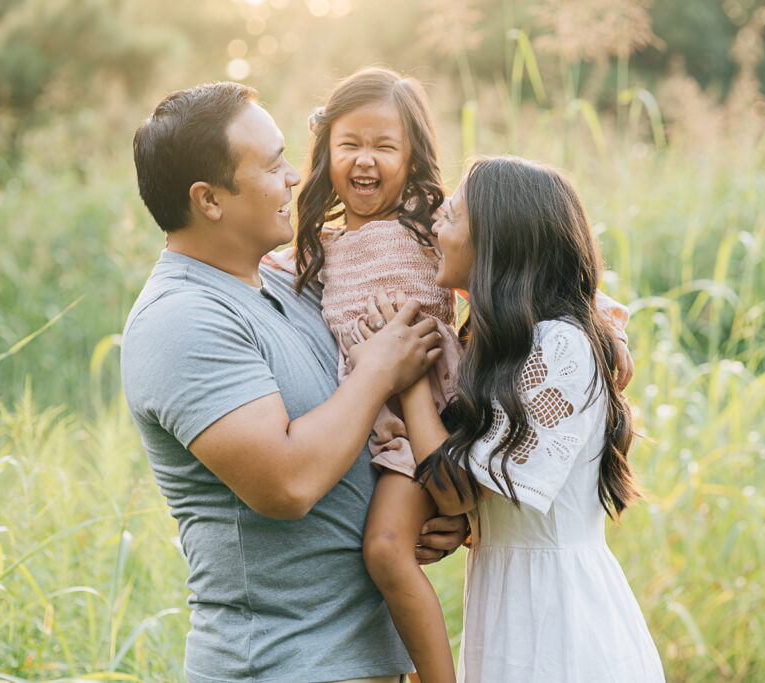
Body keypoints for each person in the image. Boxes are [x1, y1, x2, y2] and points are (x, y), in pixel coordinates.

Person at [269, 67, 636, 683]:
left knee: (386, 548)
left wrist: (609, 332)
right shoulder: (324, 246)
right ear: (325, 149)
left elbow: (540, 262)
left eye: (385, 147)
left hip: (434, 413)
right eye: (349, 144)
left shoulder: (427, 222)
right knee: (394, 544)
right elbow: (259, 257)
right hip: (384, 423)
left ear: (413, 158)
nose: (365, 161)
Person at [121, 81, 466, 683]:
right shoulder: (182, 319)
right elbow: (288, 483)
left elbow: (361, 430)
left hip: (369, 660)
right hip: (281, 665)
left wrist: (435, 505)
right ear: (209, 199)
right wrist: (385, 367)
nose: (295, 178)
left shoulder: (294, 286)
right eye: (273, 163)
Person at [360, 156, 665, 682]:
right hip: (512, 611)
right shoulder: (506, 344)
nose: (436, 225)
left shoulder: (559, 346)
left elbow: (458, 489)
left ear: (496, 245)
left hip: (560, 628)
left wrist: (407, 380)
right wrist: (467, 527)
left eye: (451, 217)